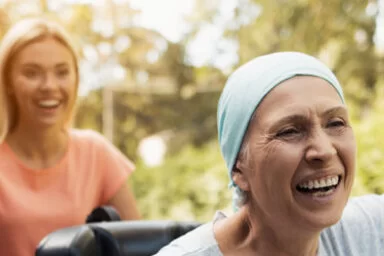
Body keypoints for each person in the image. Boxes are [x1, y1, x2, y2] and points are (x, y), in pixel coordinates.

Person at [153, 51, 384, 256]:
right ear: (238, 168)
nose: (323, 150)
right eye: (290, 131)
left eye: (335, 123)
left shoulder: (371, 229)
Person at [0, 17, 141, 256]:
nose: (49, 85)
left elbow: (140, 243)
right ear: (8, 81)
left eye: (62, 72)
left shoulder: (95, 152)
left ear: (75, 78)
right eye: (32, 73)